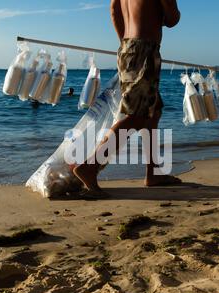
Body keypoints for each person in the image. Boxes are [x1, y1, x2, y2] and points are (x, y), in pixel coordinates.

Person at [74, 0, 182, 199]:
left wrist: (126, 40)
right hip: (145, 49)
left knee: (153, 110)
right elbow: (173, 19)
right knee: (139, 114)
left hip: (127, 47)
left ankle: (154, 173)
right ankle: (90, 166)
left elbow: (114, 10)